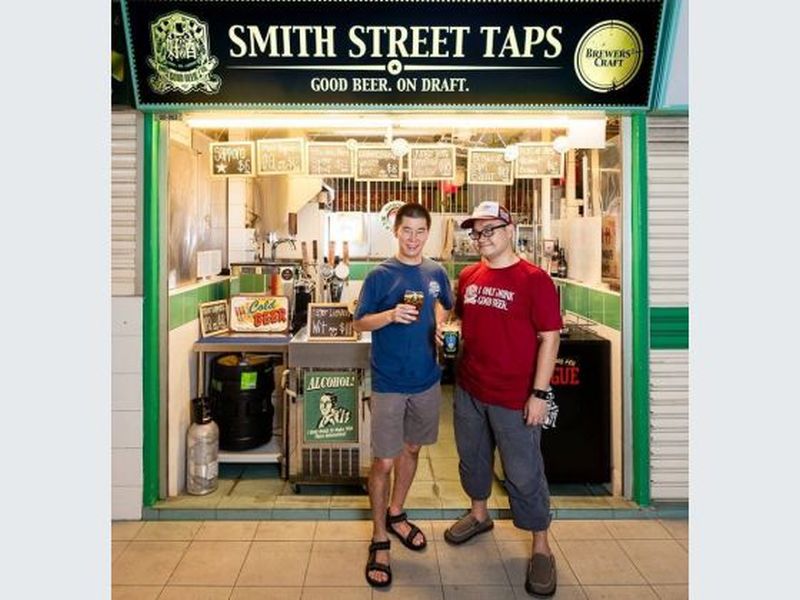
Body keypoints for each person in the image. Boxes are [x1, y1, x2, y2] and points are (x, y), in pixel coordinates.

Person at [437, 200, 562, 598]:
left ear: (511, 229)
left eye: (489, 230)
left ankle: (541, 546)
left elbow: (550, 337)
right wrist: (446, 330)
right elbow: (462, 320)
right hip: (471, 387)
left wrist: (539, 394)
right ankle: (479, 515)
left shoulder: (533, 279)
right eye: (476, 232)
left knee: (524, 472)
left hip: (515, 396)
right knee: (472, 459)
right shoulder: (470, 276)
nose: (481, 238)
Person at [353, 202, 453, 588]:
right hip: (389, 382)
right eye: (406, 230)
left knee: (412, 449)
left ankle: (397, 513)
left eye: (420, 231)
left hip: (426, 379)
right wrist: (391, 315)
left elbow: (445, 306)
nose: (413, 238)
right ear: (396, 231)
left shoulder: (436, 272)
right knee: (383, 462)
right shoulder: (380, 276)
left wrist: (441, 327)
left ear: (428, 233)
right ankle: (379, 536)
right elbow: (360, 320)